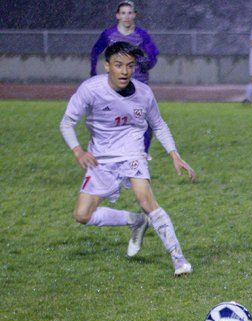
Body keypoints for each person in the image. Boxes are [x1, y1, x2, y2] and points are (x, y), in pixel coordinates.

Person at [60, 42, 196, 276]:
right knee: (82, 215)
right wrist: (78, 151)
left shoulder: (143, 93)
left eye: (130, 66)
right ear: (107, 66)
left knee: (146, 200)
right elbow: (67, 122)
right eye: (118, 65)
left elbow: (159, 124)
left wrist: (174, 154)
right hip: (100, 157)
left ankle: (179, 261)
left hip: (132, 152)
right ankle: (136, 221)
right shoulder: (90, 89)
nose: (124, 71)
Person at [90, 0, 160, 153]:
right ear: (117, 15)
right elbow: (95, 51)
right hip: (116, 86)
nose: (126, 16)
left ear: (134, 15)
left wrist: (145, 63)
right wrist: (93, 73)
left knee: (147, 123)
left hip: (139, 85)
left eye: (129, 13)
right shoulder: (109, 34)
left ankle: (141, 153)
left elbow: (154, 54)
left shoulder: (141, 35)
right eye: (123, 13)